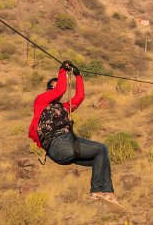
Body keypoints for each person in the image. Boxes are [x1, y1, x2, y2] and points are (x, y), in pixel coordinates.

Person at [28, 60, 119, 205]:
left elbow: (80, 97)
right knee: (102, 148)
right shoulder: (41, 101)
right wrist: (63, 70)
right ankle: (96, 190)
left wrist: (78, 76)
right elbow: (61, 89)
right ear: (49, 90)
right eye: (55, 86)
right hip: (60, 144)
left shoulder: (65, 108)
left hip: (61, 151)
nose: (59, 88)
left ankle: (108, 193)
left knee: (101, 156)